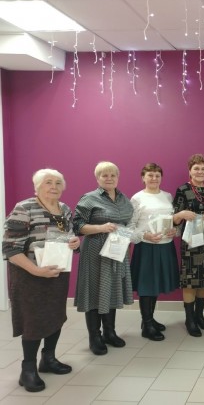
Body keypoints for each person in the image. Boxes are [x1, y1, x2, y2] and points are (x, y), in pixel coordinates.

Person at [2, 169, 80, 392]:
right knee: (33, 321)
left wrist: (74, 243)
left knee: (56, 316)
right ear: (37, 186)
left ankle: (48, 359)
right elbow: (10, 249)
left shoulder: (64, 209)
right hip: (30, 277)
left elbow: (69, 237)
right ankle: (28, 369)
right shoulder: (24, 208)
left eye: (58, 182)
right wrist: (36, 271)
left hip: (57, 273)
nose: (54, 186)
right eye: (48, 182)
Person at [73, 161, 134, 355]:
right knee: (94, 291)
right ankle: (95, 337)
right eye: (104, 175)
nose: (109, 178)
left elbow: (129, 222)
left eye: (112, 175)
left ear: (118, 177)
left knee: (112, 289)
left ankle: (109, 332)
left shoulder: (124, 199)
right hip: (95, 251)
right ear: (97, 178)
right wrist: (100, 227)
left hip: (117, 250)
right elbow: (77, 226)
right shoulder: (89, 198)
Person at [129, 163, 179, 341]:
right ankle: (147, 325)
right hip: (146, 247)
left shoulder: (167, 196)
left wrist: (175, 231)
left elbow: (172, 221)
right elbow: (130, 227)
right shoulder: (137, 198)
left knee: (155, 284)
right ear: (143, 177)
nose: (154, 178)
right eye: (150, 175)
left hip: (165, 245)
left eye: (157, 175)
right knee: (147, 286)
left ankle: (149, 320)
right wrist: (145, 236)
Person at [173, 154, 204, 337]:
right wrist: (182, 214)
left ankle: (200, 316)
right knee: (190, 280)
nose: (200, 171)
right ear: (189, 171)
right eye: (196, 168)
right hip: (191, 242)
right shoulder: (183, 189)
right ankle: (189, 319)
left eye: (203, 168)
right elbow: (174, 219)